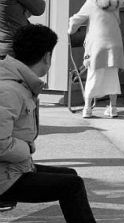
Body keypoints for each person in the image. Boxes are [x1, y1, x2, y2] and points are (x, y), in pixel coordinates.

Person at [0, 25, 96, 222]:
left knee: (70, 176)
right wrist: (27, 148)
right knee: (72, 185)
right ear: (46, 57)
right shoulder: (9, 90)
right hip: (6, 176)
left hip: (14, 168)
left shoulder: (18, 83)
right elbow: (1, 144)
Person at [68, 0, 124, 119]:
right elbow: (117, 22)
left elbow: (78, 18)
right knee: (112, 76)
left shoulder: (92, 0)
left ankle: (87, 109)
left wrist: (70, 29)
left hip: (98, 45)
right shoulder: (114, 3)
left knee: (93, 74)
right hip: (114, 43)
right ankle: (113, 109)